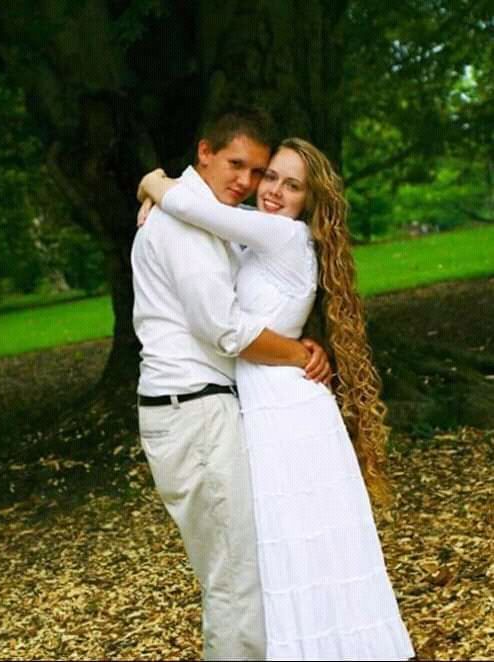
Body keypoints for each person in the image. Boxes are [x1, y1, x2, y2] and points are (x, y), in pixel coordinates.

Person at [137, 137, 416, 661]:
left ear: (308, 200)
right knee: (285, 551)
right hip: (264, 402)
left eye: (292, 185)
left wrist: (151, 181)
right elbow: (201, 218)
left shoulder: (281, 236)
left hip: (285, 408)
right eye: (271, 178)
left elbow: (187, 205)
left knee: (299, 547)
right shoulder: (260, 235)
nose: (272, 191)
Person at [131, 108, 332, 662]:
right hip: (193, 411)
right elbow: (225, 328)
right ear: (204, 153)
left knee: (244, 571)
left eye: (257, 172)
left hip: (205, 410)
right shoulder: (184, 227)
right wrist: (298, 352)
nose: (246, 183)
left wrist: (156, 185)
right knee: (236, 581)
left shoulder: (208, 217)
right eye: (236, 165)